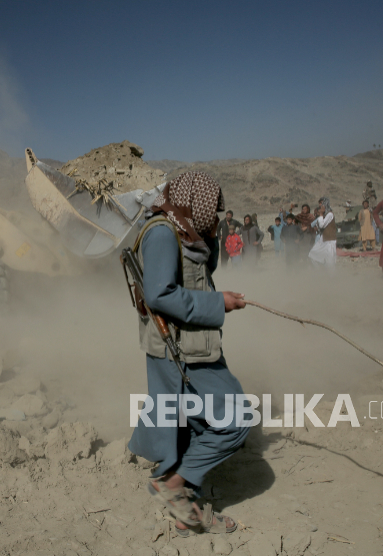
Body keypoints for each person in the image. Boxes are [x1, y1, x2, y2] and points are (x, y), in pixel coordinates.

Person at [127, 171, 248, 536]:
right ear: (193, 201)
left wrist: (209, 240)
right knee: (236, 418)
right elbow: (160, 295)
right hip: (180, 351)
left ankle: (186, 511)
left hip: (189, 347)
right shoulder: (164, 233)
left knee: (192, 425)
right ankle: (174, 484)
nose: (214, 217)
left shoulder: (184, 230)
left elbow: (194, 276)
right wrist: (218, 304)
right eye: (211, 210)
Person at [308, 199, 337, 268]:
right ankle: (320, 273)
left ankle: (331, 277)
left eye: (321, 204)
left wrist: (320, 214)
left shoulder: (330, 214)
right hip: (323, 239)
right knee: (312, 254)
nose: (320, 206)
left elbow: (321, 225)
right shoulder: (325, 215)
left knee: (330, 261)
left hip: (329, 240)